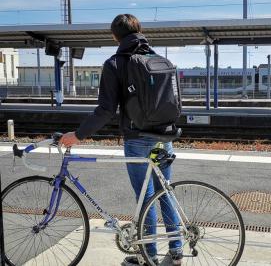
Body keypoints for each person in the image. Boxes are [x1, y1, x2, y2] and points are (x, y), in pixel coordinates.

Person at [60, 14, 183, 266]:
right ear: (139, 30)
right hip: (165, 136)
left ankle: (147, 256)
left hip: (138, 139)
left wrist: (78, 135)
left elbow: (106, 110)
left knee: (146, 199)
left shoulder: (115, 63)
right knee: (164, 193)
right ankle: (177, 250)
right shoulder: (159, 59)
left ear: (114, 36)